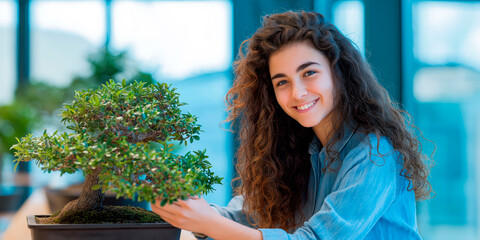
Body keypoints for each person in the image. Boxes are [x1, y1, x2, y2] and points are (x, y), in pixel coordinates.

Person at [151, 11, 433, 240]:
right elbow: (244, 214)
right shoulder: (299, 149)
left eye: (309, 72)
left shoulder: (374, 154)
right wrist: (193, 211)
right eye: (282, 82)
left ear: (339, 72)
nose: (297, 93)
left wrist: (210, 224)